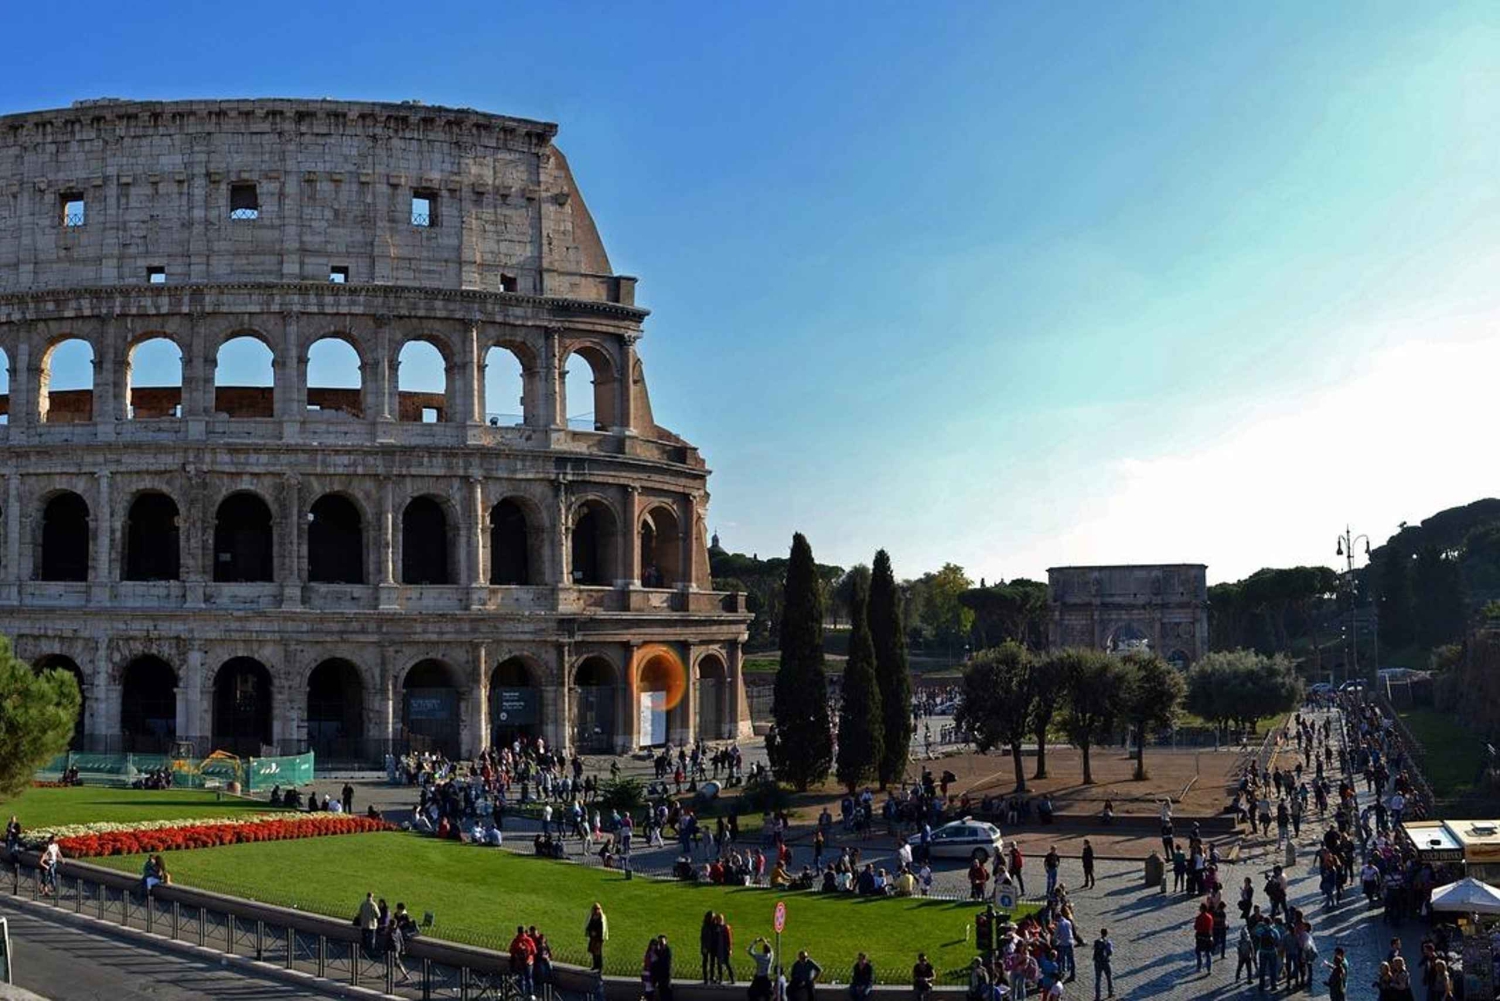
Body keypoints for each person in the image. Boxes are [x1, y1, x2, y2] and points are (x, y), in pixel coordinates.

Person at [509, 924, 537, 999]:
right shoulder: (528, 940)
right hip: (529, 962)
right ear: (525, 931)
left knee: (522, 978)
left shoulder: (516, 940)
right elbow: (534, 951)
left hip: (520, 963)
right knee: (529, 978)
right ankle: (531, 994)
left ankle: (522, 994)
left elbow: (511, 951)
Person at [585, 902, 609, 972]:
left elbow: (602, 928)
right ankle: (595, 965)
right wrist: (591, 932)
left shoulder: (602, 917)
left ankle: (600, 967)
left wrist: (597, 933)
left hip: (599, 938)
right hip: (593, 937)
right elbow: (589, 925)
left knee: (598, 953)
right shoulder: (592, 916)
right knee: (593, 952)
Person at [1192, 903, 1215, 974]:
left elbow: (1196, 927)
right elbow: (1211, 927)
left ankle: (1199, 967)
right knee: (1208, 953)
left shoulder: (1199, 917)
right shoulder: (1210, 917)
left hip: (1200, 936)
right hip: (1208, 936)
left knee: (1198, 952)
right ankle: (1209, 969)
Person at [1092, 928, 1113, 1001]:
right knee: (1109, 977)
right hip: (1105, 962)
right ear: (1106, 933)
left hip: (1097, 962)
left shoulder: (1097, 942)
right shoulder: (1108, 942)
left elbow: (1095, 950)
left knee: (1098, 979)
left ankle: (1097, 996)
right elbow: (1110, 952)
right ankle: (1110, 992)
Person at [356, 891, 379, 957]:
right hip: (372, 925)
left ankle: (362, 952)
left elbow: (359, 913)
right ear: (372, 897)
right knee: (372, 940)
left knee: (364, 939)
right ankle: (371, 953)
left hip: (364, 924)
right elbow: (378, 915)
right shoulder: (373, 905)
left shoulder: (363, 904)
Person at [653, 934, 675, 1001]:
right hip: (660, 974)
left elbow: (666, 963)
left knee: (667, 989)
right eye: (659, 941)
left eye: (662, 941)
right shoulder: (658, 950)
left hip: (665, 974)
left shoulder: (667, 950)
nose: (661, 943)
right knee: (661, 990)